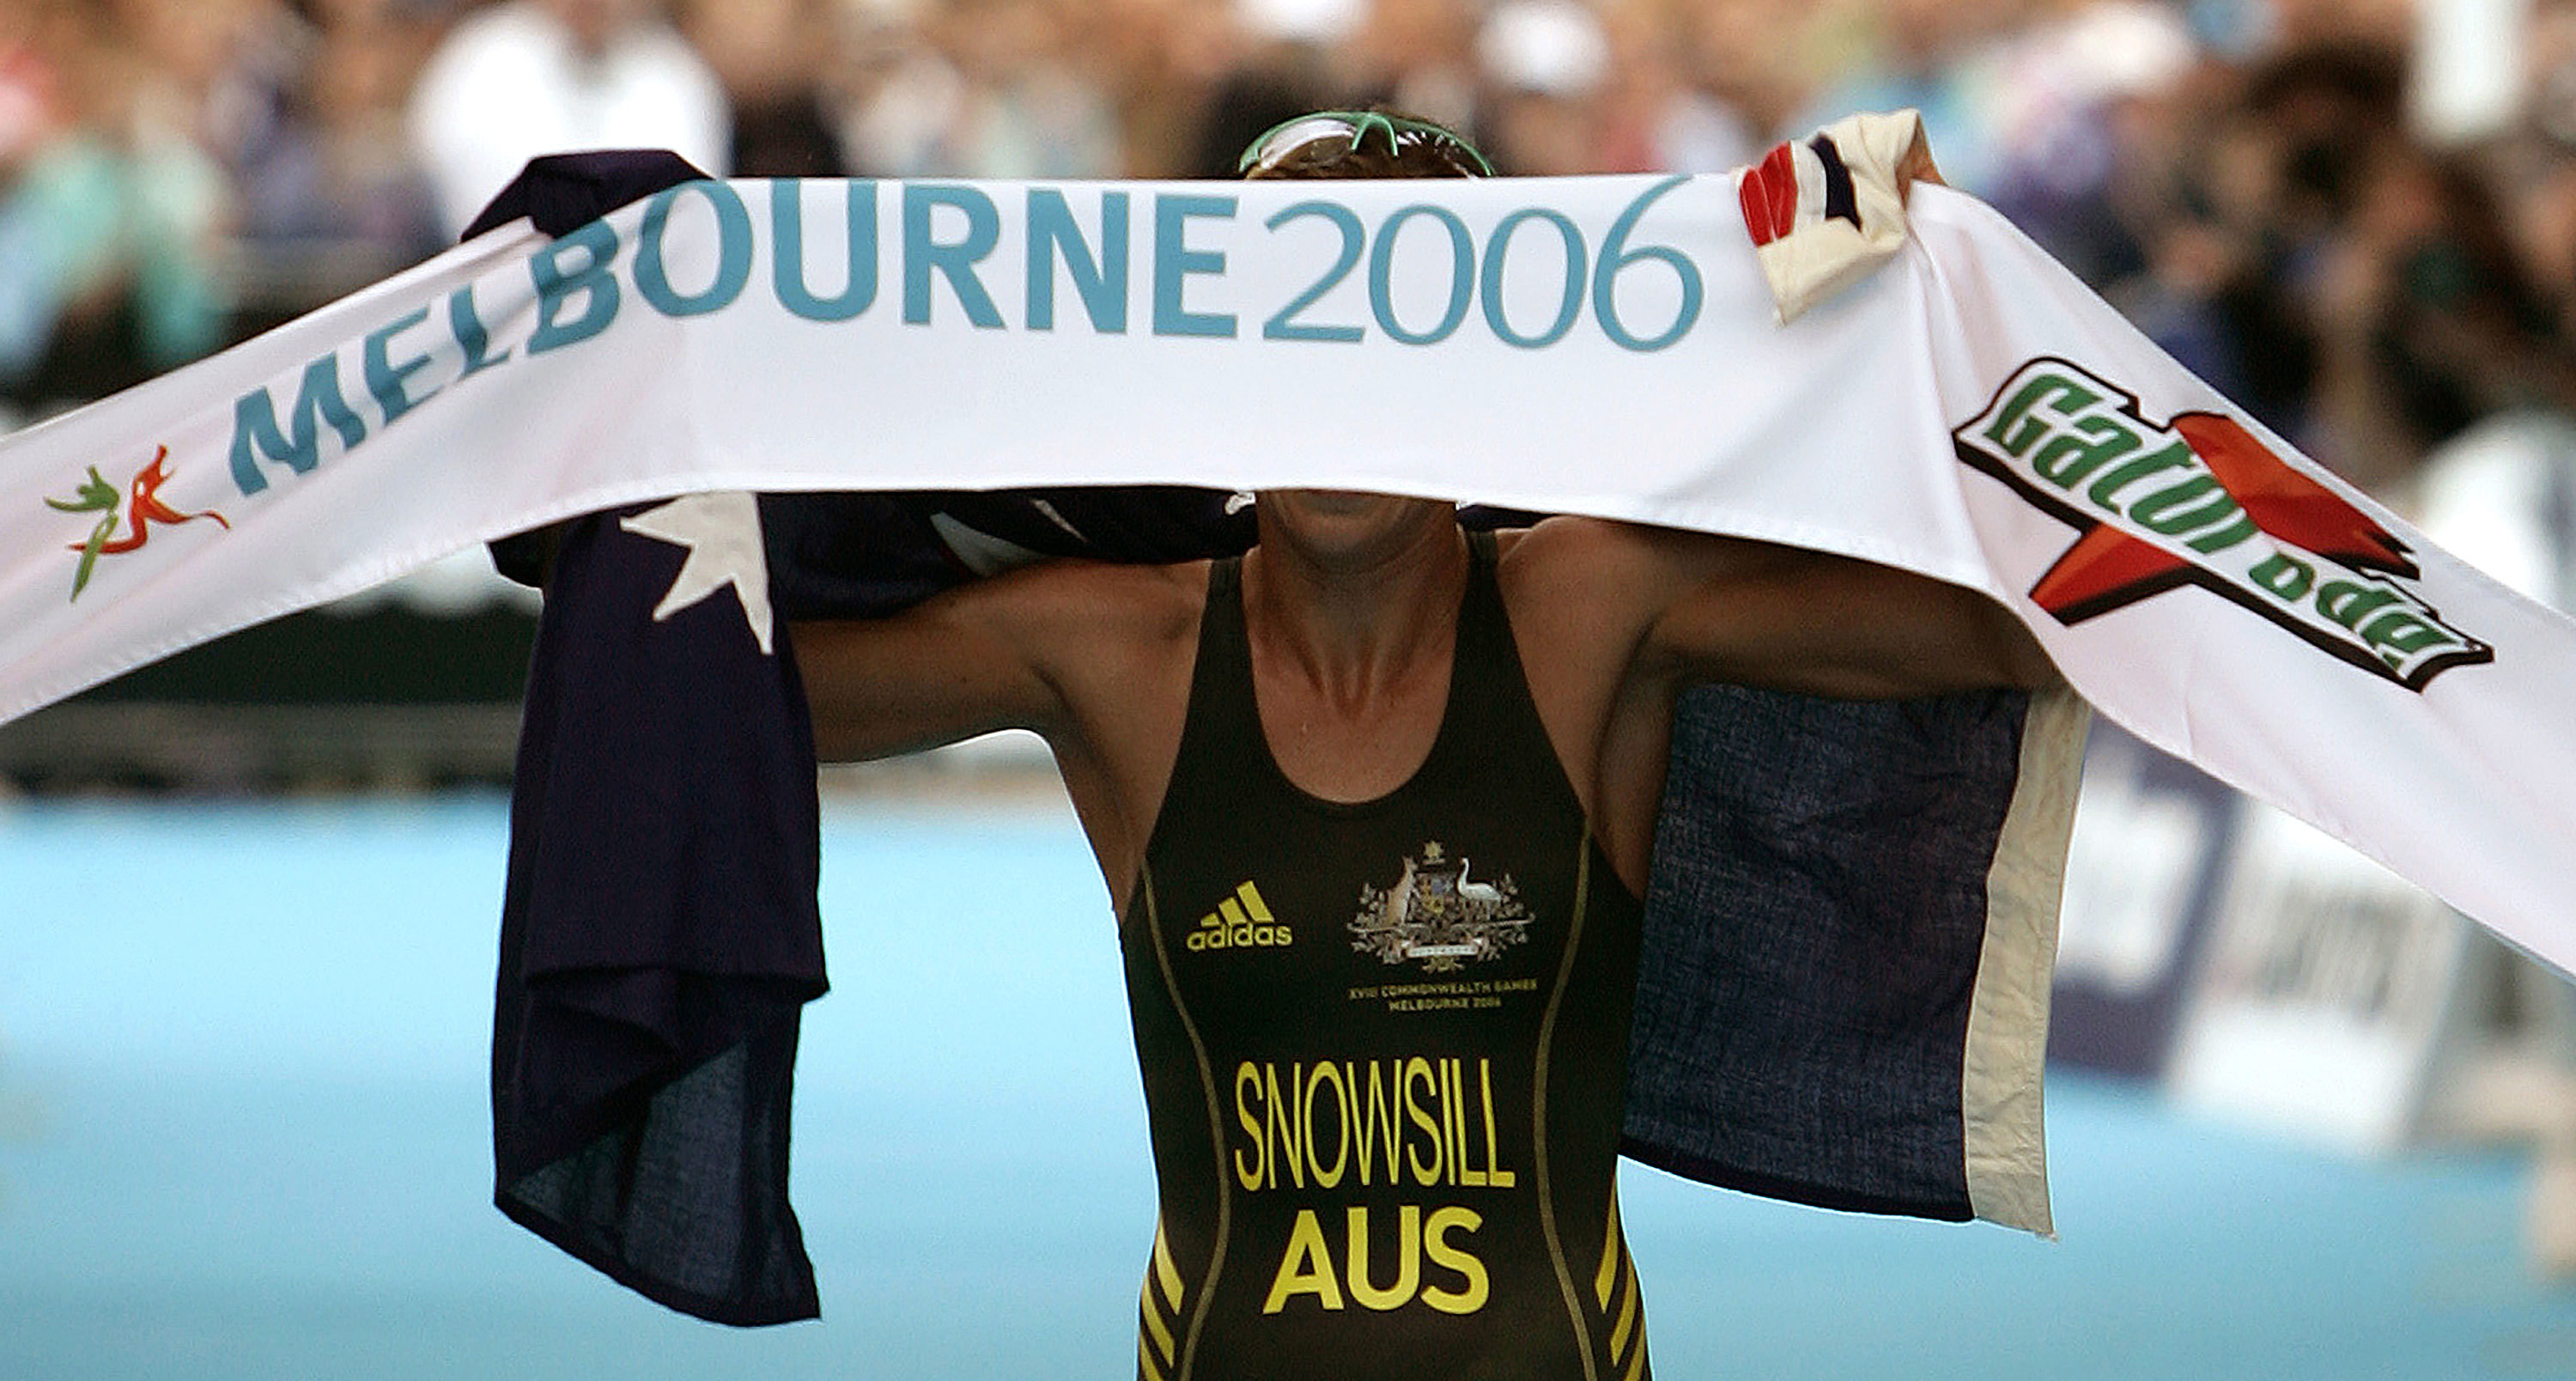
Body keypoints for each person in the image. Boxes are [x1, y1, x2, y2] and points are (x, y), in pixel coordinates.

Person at [790, 111, 2052, 1381]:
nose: (1344, 407)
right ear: (1226, 367)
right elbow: (714, 692)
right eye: (1302, 349)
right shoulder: (1123, 653)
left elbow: (2021, 625)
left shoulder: (1583, 613)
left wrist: (1922, 287)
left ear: (1477, 379)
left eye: (1392, 354)